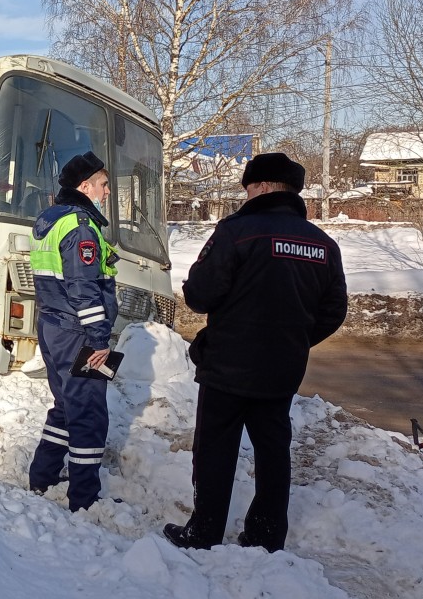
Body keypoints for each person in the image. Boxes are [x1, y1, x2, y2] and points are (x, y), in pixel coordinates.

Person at [163, 152, 348, 553]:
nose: (245, 195)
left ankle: (205, 532)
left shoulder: (236, 232)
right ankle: (265, 537)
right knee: (273, 452)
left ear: (262, 186)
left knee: (215, 449)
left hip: (226, 366)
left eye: (248, 187)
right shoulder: (323, 244)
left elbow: (198, 294)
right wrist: (294, 339)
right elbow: (334, 312)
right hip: (282, 370)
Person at [27, 151, 118, 512]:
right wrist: (99, 340)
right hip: (78, 333)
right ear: (85, 186)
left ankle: (43, 476)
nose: (107, 192)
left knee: (65, 407)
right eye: (104, 184)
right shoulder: (81, 225)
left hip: (52, 327)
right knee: (89, 413)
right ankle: (84, 498)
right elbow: (84, 289)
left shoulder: (50, 219)